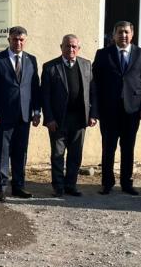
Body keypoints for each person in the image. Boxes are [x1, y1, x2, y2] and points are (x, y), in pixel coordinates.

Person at [91, 21, 141, 195]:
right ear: (113, 35)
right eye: (119, 32)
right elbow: (95, 83)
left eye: (126, 32)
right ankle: (107, 183)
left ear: (132, 34)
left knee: (128, 148)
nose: (123, 35)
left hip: (132, 110)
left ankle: (127, 183)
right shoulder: (103, 54)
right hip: (108, 110)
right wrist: (95, 110)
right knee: (108, 148)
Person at [0, 26, 41, 201]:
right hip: (3, 116)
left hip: (24, 115)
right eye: (15, 39)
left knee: (20, 152)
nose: (18, 42)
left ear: (25, 41)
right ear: (8, 39)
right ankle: (1, 187)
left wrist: (36, 111)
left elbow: (35, 88)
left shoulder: (31, 60)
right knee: (3, 152)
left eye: (21, 40)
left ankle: (18, 186)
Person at [40, 34, 95, 197]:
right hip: (58, 120)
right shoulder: (50, 67)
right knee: (58, 155)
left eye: (74, 46)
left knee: (75, 155)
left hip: (79, 119)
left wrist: (93, 114)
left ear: (78, 48)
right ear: (61, 47)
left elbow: (92, 92)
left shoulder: (86, 65)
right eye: (67, 46)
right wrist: (49, 118)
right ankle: (58, 186)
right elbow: (45, 96)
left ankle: (71, 185)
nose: (70, 49)